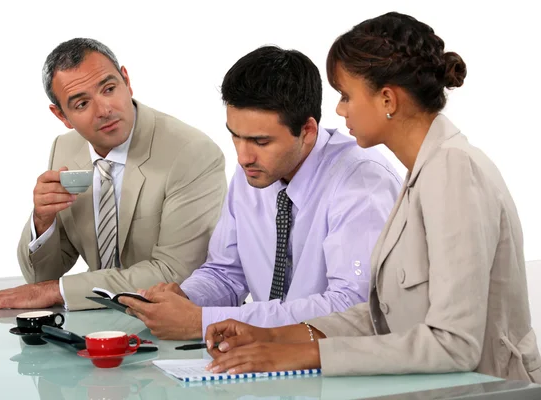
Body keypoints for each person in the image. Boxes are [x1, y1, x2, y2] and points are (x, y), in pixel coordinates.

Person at [202, 12, 541, 382]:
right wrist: (274, 336)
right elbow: (384, 314)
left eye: (346, 95)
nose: (339, 109)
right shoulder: (424, 170)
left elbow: (453, 343)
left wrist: (306, 354)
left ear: (387, 100)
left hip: (489, 388)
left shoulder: (452, 171)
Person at [119, 46, 402, 339]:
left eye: (260, 141)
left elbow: (351, 308)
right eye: (235, 136)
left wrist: (202, 321)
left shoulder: (362, 182)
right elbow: (225, 273)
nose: (243, 157)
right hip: (268, 360)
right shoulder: (254, 173)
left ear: (307, 131)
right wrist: (186, 299)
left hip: (339, 367)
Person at [0, 38, 227, 311]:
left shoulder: (190, 153)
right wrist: (42, 221)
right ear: (62, 116)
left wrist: (59, 290)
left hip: (176, 325)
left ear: (126, 81)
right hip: (96, 326)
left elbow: (176, 274)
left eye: (109, 89)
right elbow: (39, 280)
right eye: (82, 104)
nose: (104, 110)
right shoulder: (65, 149)